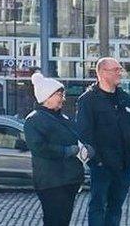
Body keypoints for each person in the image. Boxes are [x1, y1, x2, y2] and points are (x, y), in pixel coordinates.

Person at [76, 57, 130, 226]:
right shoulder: (88, 100)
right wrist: (97, 160)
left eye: (119, 69)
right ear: (101, 73)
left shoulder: (125, 98)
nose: (119, 73)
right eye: (115, 70)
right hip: (101, 166)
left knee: (116, 206)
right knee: (98, 205)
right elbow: (85, 133)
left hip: (124, 164)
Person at [25, 72, 88, 226]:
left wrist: (85, 149)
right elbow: (39, 148)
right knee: (55, 220)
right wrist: (66, 151)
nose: (63, 98)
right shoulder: (34, 119)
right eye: (60, 94)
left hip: (68, 179)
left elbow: (76, 138)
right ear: (47, 97)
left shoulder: (62, 118)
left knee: (63, 220)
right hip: (52, 182)